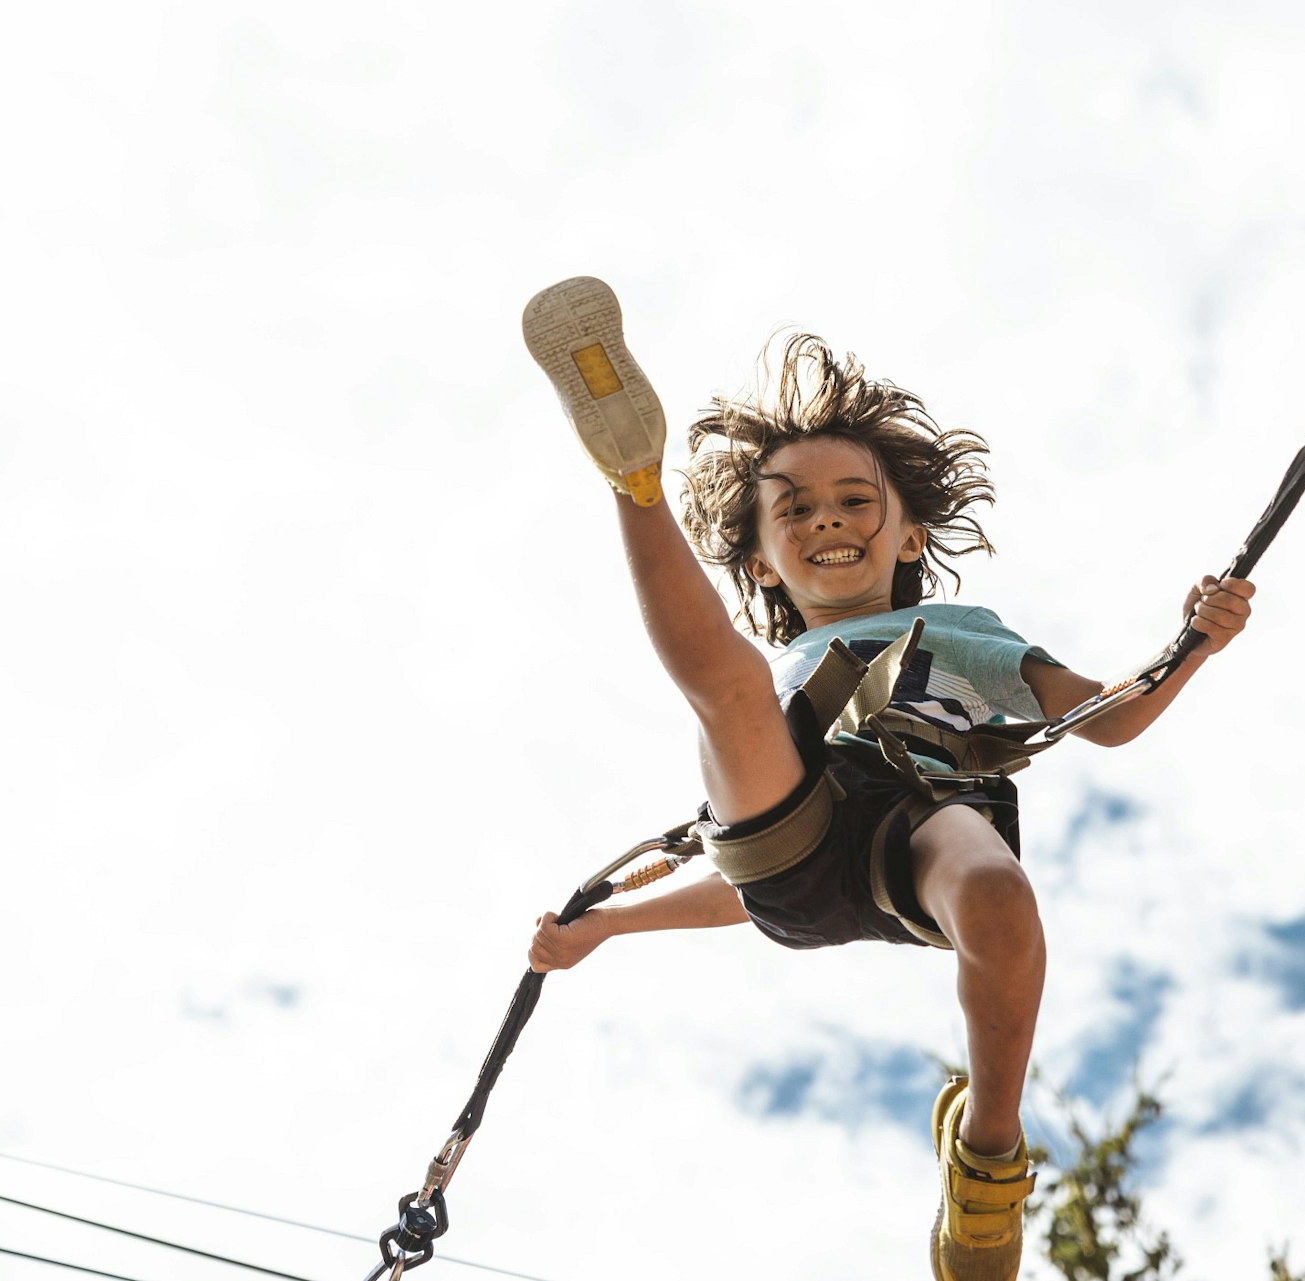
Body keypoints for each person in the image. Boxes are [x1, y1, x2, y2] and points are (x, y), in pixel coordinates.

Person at [521, 277, 1255, 1281]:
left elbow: (1111, 714)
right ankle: (634, 483)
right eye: (795, 510)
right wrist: (608, 926)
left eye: (855, 500)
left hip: (924, 815)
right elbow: (750, 884)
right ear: (765, 563)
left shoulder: (968, 633)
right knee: (731, 690)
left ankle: (989, 1157)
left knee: (995, 892)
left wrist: (1192, 645)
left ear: (910, 535)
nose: (827, 520)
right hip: (788, 822)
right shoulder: (776, 671)